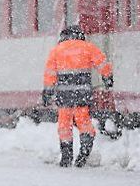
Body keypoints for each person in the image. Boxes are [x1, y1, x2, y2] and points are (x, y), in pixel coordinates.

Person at [42, 25, 114, 167]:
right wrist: (107, 77)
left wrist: (47, 91)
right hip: (82, 93)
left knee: (64, 124)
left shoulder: (57, 50)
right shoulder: (87, 47)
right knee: (84, 122)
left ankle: (66, 156)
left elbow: (50, 73)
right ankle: (84, 152)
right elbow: (102, 62)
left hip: (64, 95)